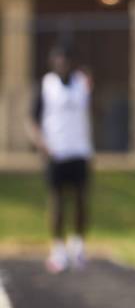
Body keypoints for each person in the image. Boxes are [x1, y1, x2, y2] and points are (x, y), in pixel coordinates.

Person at [26, 45, 93, 273]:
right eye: (59, 60)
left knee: (81, 200)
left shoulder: (82, 83)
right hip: (56, 152)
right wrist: (42, 144)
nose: (62, 64)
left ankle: (78, 246)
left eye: (66, 60)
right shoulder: (46, 86)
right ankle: (57, 249)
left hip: (79, 151)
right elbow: (32, 120)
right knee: (57, 201)